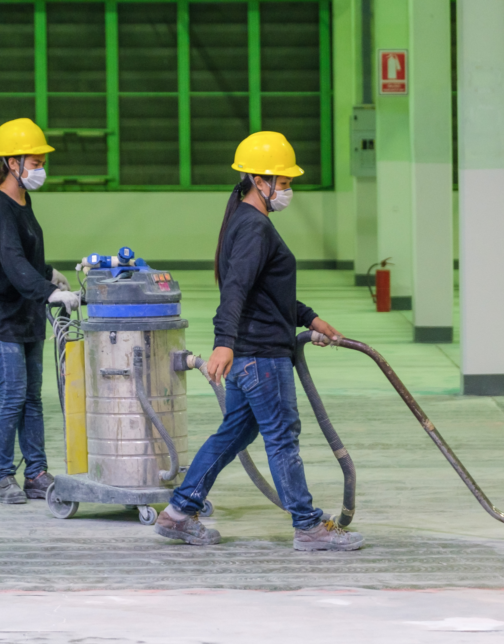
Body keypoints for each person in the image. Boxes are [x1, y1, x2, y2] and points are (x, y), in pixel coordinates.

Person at [154, 131, 365, 551]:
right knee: (283, 436)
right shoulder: (254, 227)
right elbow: (235, 289)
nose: (288, 191)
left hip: (254, 351)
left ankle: (178, 512)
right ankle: (307, 526)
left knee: (234, 432)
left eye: (288, 183)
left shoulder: (247, 222)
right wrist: (223, 342)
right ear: (257, 179)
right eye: (282, 183)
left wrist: (310, 318)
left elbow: (267, 291)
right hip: (261, 355)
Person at [0, 118, 80, 505]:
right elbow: (13, 265)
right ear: (12, 163)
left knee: (32, 396)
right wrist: (49, 292)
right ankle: (2, 477)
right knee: (13, 394)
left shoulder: (23, 200)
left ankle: (35, 472)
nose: (40, 168)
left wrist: (48, 273)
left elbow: (25, 256)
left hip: (25, 313)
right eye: (34, 161)